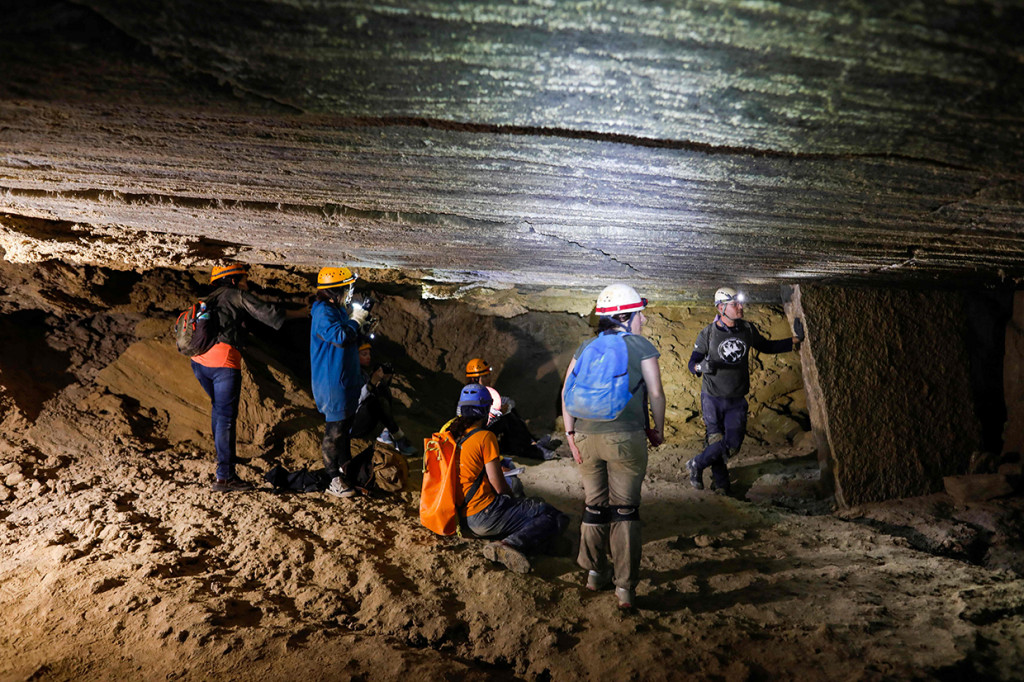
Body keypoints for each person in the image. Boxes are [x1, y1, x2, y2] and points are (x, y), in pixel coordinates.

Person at [562, 283, 664, 609]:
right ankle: (625, 590)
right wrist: (656, 429)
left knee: (594, 506)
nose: (643, 319)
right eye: (639, 313)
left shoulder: (586, 347)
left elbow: (567, 393)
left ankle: (594, 574)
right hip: (625, 436)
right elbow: (657, 393)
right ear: (625, 316)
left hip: (585, 437)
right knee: (625, 510)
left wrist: (570, 436)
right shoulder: (640, 346)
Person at [191, 263, 307, 492]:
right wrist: (302, 313)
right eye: (244, 279)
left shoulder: (211, 297)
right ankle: (225, 477)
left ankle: (223, 463)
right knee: (226, 418)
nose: (247, 282)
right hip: (223, 362)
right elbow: (269, 313)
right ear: (233, 280)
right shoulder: (236, 294)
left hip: (199, 362)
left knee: (218, 412)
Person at [686, 287, 800, 495]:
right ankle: (722, 485)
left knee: (733, 444)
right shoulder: (708, 333)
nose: (741, 307)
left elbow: (767, 346)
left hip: (737, 398)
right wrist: (701, 367)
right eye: (735, 304)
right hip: (712, 397)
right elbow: (692, 362)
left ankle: (697, 463)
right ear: (721, 308)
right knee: (716, 440)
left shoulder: (747, 329)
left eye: (740, 303)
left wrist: (794, 340)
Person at [450, 383, 568, 573]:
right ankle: (510, 544)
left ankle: (538, 544)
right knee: (553, 515)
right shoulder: (484, 437)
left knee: (527, 508)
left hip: (461, 518)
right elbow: (499, 485)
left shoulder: (453, 436)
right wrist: (511, 499)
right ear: (486, 409)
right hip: (484, 515)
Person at [310, 266, 371, 499]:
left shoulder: (335, 310)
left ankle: (346, 470)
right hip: (332, 383)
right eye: (346, 288)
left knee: (345, 428)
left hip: (344, 380)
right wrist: (356, 319)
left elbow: (351, 334)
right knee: (334, 431)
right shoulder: (323, 311)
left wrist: (361, 320)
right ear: (334, 290)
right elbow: (340, 337)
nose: (348, 293)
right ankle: (333, 477)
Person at [466, 358, 561, 460]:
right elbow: (477, 422)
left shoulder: (484, 391)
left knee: (509, 410)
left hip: (486, 431)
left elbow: (506, 401)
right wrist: (499, 412)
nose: (489, 378)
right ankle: (529, 449)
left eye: (488, 374)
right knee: (505, 417)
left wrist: (506, 407)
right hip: (477, 437)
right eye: (485, 376)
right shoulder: (471, 395)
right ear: (474, 379)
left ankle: (530, 442)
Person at [350, 342, 416, 456]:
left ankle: (388, 433)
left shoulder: (363, 374)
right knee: (375, 402)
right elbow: (355, 401)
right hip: (352, 426)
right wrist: (372, 383)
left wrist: (383, 381)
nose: (368, 357)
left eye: (369, 354)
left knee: (382, 389)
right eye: (364, 354)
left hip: (363, 421)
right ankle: (395, 437)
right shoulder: (349, 375)